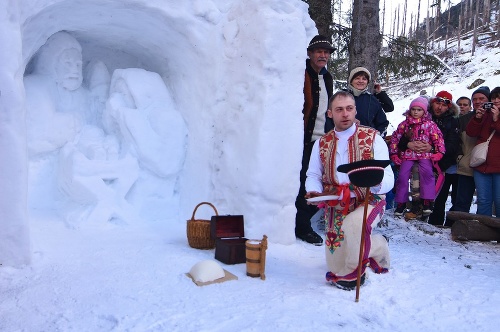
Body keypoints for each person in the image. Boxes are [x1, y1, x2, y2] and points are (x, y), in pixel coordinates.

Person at [305, 90, 393, 290]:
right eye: (339, 109)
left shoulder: (373, 138)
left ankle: (355, 275)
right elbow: (313, 175)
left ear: (355, 111)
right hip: (337, 202)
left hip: (369, 199)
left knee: (354, 226)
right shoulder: (321, 143)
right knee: (336, 264)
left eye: (349, 109)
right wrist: (314, 191)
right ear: (330, 114)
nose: (345, 114)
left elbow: (389, 177)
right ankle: (378, 245)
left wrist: (375, 183)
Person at [294, 35, 335, 245]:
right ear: (310, 53)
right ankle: (301, 227)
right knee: (303, 182)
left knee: (319, 182)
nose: (323, 55)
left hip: (323, 140)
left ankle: (303, 222)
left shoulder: (327, 78)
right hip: (304, 139)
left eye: (326, 52)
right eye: (319, 51)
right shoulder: (302, 75)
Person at [389, 97, 445, 217]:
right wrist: (394, 153)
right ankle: (401, 202)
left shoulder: (430, 125)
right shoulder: (404, 125)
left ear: (424, 111)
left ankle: (427, 201)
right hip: (408, 155)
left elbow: (438, 139)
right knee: (403, 177)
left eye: (419, 109)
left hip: (425, 154)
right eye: (413, 109)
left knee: (427, 174)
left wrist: (438, 152)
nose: (415, 112)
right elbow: (395, 138)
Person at [453, 86, 490, 219]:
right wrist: (459, 157)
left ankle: (482, 229)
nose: (478, 101)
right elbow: (455, 140)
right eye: (475, 99)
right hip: (467, 165)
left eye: (482, 98)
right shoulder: (463, 119)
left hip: (488, 166)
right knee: (462, 200)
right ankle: (457, 226)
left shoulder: (494, 117)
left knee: (485, 200)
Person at [466, 86, 500, 217]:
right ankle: (483, 232)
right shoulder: (485, 114)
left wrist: (496, 119)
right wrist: (478, 118)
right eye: (493, 97)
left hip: (498, 166)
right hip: (481, 164)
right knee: (484, 200)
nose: (496, 100)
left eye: (499, 97)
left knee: (499, 201)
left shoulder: (495, 116)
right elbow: (471, 132)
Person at [346, 67, 389, 137]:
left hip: (366, 141)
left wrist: (378, 136)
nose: (361, 81)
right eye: (357, 78)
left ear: (367, 82)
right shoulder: (340, 97)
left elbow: (382, 123)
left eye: (364, 79)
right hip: (343, 139)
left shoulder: (372, 100)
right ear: (351, 80)